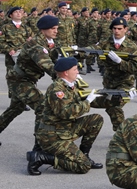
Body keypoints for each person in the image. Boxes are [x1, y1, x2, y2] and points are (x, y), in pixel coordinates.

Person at [28, 57, 104, 175]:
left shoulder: (70, 86)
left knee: (96, 119)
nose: (78, 72)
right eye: (75, 69)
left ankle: (84, 155)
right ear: (66, 72)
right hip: (52, 136)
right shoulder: (57, 89)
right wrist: (87, 102)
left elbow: (91, 102)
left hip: (64, 129)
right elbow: (66, 113)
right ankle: (42, 157)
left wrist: (116, 99)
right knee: (83, 166)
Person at [0, 15, 58, 148]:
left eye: (57, 28)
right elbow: (46, 64)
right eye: (52, 28)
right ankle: (38, 149)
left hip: (26, 80)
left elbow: (57, 56)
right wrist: (63, 76)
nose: (56, 31)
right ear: (43, 30)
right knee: (42, 108)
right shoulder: (35, 44)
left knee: (16, 108)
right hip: (19, 80)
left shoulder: (49, 42)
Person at [89, 17, 137, 130]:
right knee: (110, 106)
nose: (116, 31)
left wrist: (120, 62)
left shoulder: (131, 46)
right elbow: (93, 49)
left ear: (126, 29)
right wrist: (78, 52)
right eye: (114, 28)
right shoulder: (106, 43)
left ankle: (121, 133)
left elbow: (135, 67)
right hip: (109, 82)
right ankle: (121, 132)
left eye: (119, 28)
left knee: (114, 105)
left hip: (124, 83)